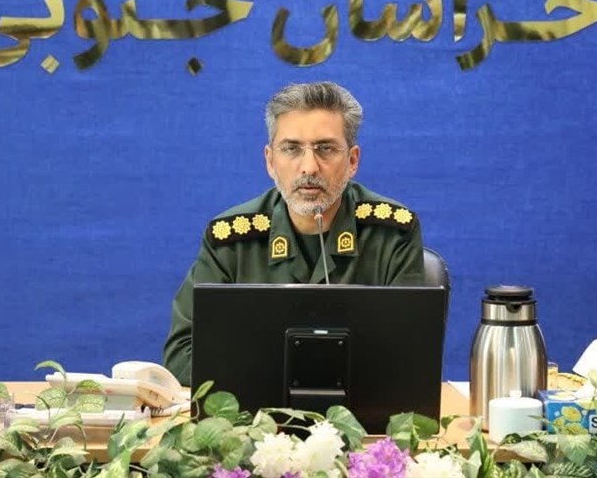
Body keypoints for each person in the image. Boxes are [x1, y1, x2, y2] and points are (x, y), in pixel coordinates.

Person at [162, 81, 424, 385]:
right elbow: (182, 354)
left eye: (326, 148)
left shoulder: (393, 233)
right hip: (256, 412)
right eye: (291, 149)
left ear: (352, 161)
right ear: (270, 161)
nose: (309, 167)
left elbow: (410, 357)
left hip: (359, 412)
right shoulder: (231, 239)